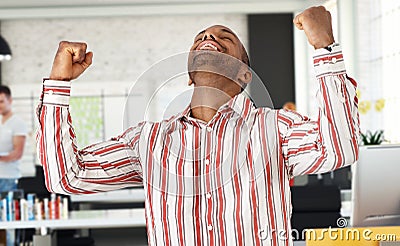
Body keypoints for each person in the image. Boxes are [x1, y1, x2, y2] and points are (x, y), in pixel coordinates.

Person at [36, 6, 359, 246]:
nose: (209, 37)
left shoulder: (274, 127)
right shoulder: (148, 140)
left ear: (244, 74)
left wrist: (325, 47)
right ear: (190, 71)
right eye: (202, 38)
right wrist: (58, 83)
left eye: (225, 38)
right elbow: (67, 177)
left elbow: (339, 148)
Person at [0, 85, 28, 246]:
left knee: (8, 220)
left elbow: (17, 153)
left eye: (2, 101)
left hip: (8, 179)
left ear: (10, 101)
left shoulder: (17, 123)